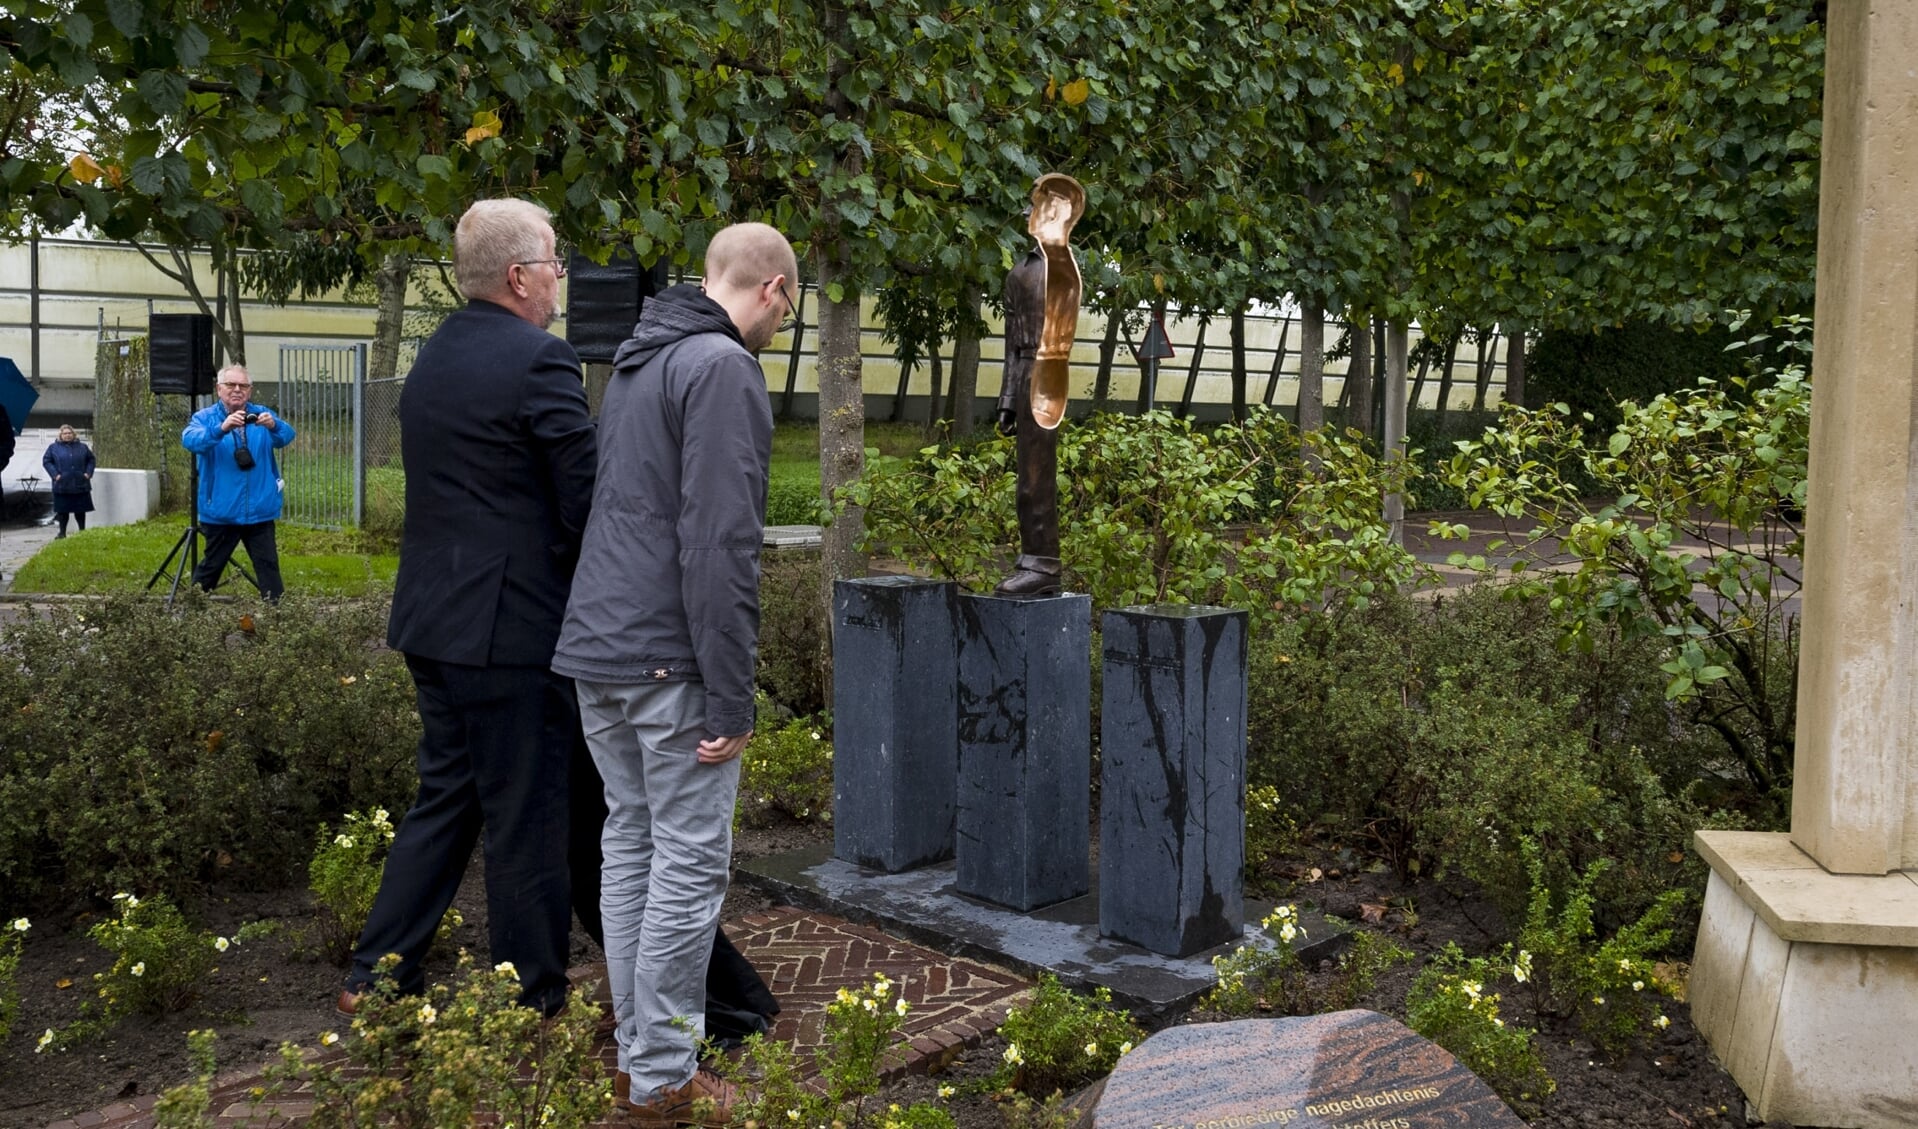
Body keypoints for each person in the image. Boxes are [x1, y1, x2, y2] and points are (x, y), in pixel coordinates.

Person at [552, 221, 795, 1125]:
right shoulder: (723, 367)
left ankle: (636, 1057)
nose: (778, 327)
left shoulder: (637, 362)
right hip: (669, 657)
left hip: (598, 648)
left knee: (631, 847)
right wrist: (732, 692)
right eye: (787, 310)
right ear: (771, 290)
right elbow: (719, 543)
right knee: (686, 866)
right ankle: (660, 1074)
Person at [339, 198, 598, 1018]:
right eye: (555, 263)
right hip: (512, 630)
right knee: (528, 814)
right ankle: (532, 999)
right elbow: (583, 499)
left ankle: (376, 974)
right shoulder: (541, 360)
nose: (561, 278)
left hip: (433, 619)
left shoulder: (435, 356)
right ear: (520, 276)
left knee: (447, 799)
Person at [993, 173, 1085, 596]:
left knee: (1036, 477)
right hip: (1027, 370)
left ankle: (1043, 563)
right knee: (1025, 478)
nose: (1034, 215)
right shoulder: (1018, 274)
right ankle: (1035, 559)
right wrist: (1007, 401)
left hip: (1050, 371)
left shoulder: (1062, 265)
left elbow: (1062, 323)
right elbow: (1012, 346)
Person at [181, 365, 296, 599]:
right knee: (210, 568)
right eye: (230, 385)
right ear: (218, 389)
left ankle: (280, 622)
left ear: (250, 390)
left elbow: (287, 436)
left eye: (243, 386)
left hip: (259, 510)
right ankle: (189, 614)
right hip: (222, 510)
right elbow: (191, 441)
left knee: (269, 569)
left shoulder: (262, 413)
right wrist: (221, 428)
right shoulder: (205, 417)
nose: (237, 390)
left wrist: (274, 426)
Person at [42, 425, 95, 537]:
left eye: (69, 433)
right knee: (62, 511)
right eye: (65, 433)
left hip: (80, 483)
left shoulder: (82, 447)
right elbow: (47, 461)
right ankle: (62, 533)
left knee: (80, 510)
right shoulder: (53, 448)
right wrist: (55, 475)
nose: (67, 435)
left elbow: (91, 459)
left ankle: (82, 531)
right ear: (60, 435)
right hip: (62, 485)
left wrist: (88, 473)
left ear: (73, 434)